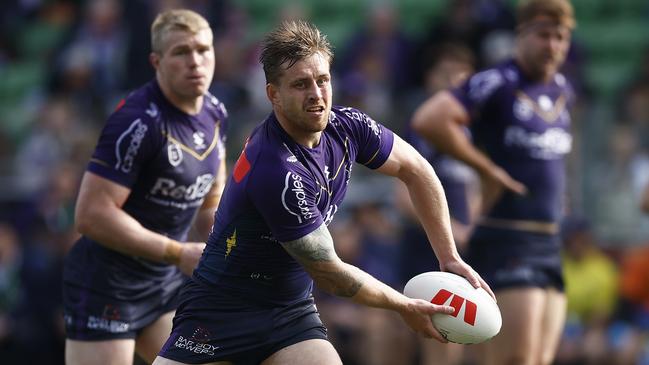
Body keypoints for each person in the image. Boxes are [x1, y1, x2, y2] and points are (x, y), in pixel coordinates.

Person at [153, 20, 492, 365]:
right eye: (301, 84)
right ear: (273, 94)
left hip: (289, 314)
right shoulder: (275, 167)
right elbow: (329, 272)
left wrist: (448, 257)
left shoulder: (349, 127)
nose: (316, 94)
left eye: (323, 79)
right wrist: (402, 305)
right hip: (221, 312)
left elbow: (417, 170)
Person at [411, 0, 576, 364]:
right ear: (522, 35)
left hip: (549, 241)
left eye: (560, 36)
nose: (552, 45)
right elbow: (431, 118)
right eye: (543, 35)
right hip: (508, 238)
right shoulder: (498, 81)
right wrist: (487, 170)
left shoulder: (563, 89)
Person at [62, 9, 229, 365]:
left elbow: (211, 203)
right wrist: (177, 253)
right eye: (181, 52)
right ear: (156, 61)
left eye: (203, 50)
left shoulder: (215, 113)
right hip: (106, 285)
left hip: (163, 284)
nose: (195, 61)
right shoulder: (136, 121)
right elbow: (91, 216)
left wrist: (235, 245)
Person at [397, 43, 478, 365]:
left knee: (462, 335)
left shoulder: (470, 132)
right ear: (430, 79)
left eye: (462, 75)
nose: (455, 81)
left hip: (465, 249)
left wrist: (474, 230)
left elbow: (474, 191)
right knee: (433, 335)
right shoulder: (420, 131)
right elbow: (403, 197)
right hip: (427, 248)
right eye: (446, 73)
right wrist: (455, 233)